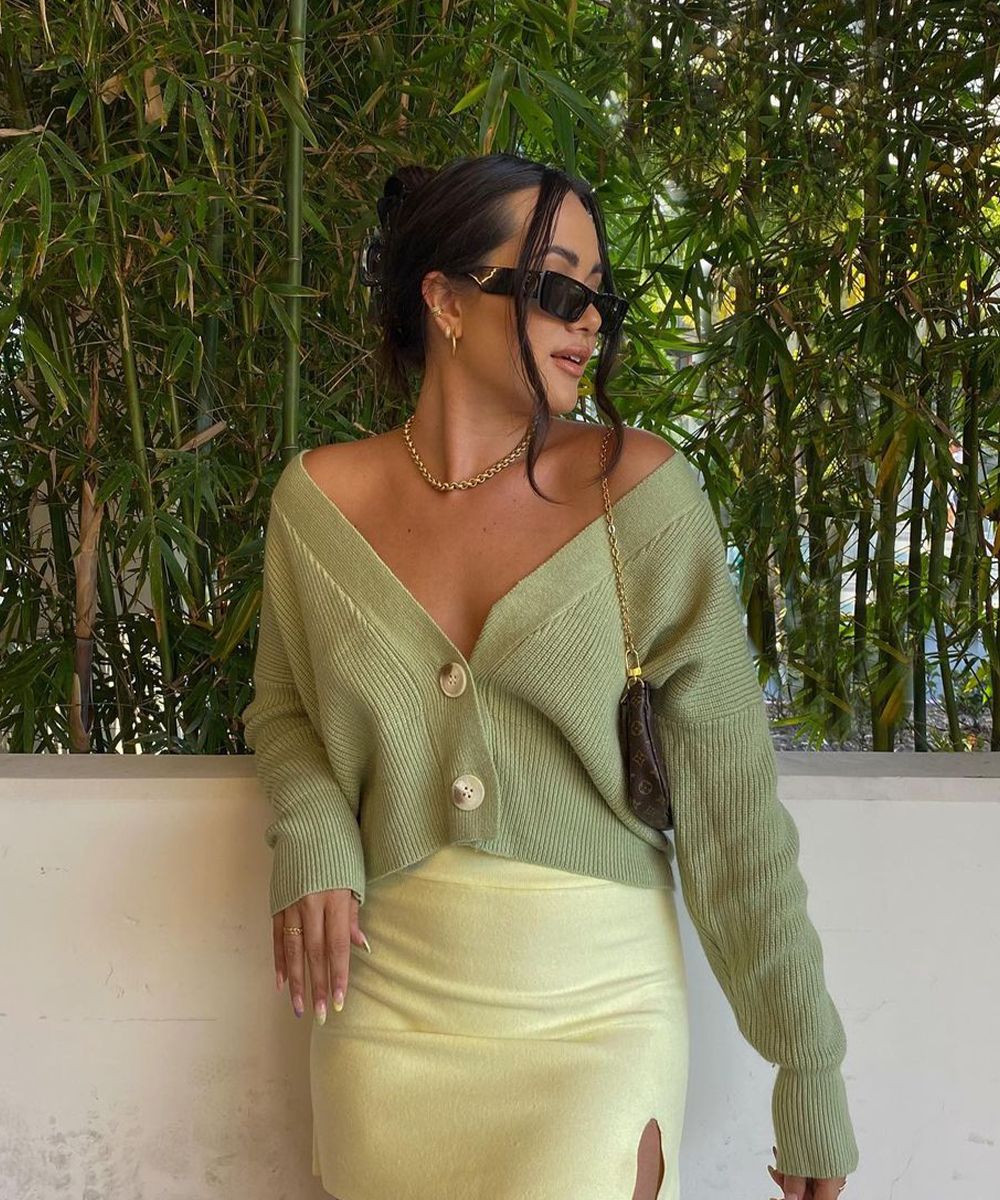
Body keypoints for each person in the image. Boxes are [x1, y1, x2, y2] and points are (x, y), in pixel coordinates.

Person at [240, 152, 858, 1200]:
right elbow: (286, 710)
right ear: (445, 300)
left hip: (596, 1015)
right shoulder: (316, 501)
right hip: (387, 1014)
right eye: (558, 290)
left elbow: (734, 816)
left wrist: (808, 1067)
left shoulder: (641, 497)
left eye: (600, 296)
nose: (592, 322)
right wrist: (313, 833)